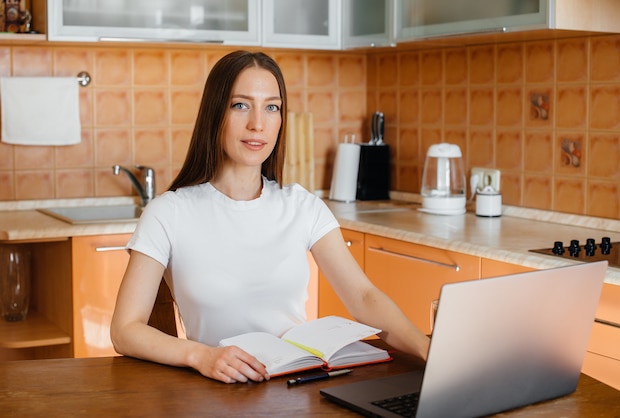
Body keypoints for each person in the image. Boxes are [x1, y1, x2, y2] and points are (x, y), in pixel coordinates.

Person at [110, 50, 430, 384]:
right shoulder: (169, 212)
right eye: (240, 105)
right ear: (214, 113)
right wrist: (201, 356)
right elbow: (125, 330)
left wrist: (427, 351)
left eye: (271, 107)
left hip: (298, 386)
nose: (257, 124)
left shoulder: (302, 207)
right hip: (216, 391)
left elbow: (364, 297)